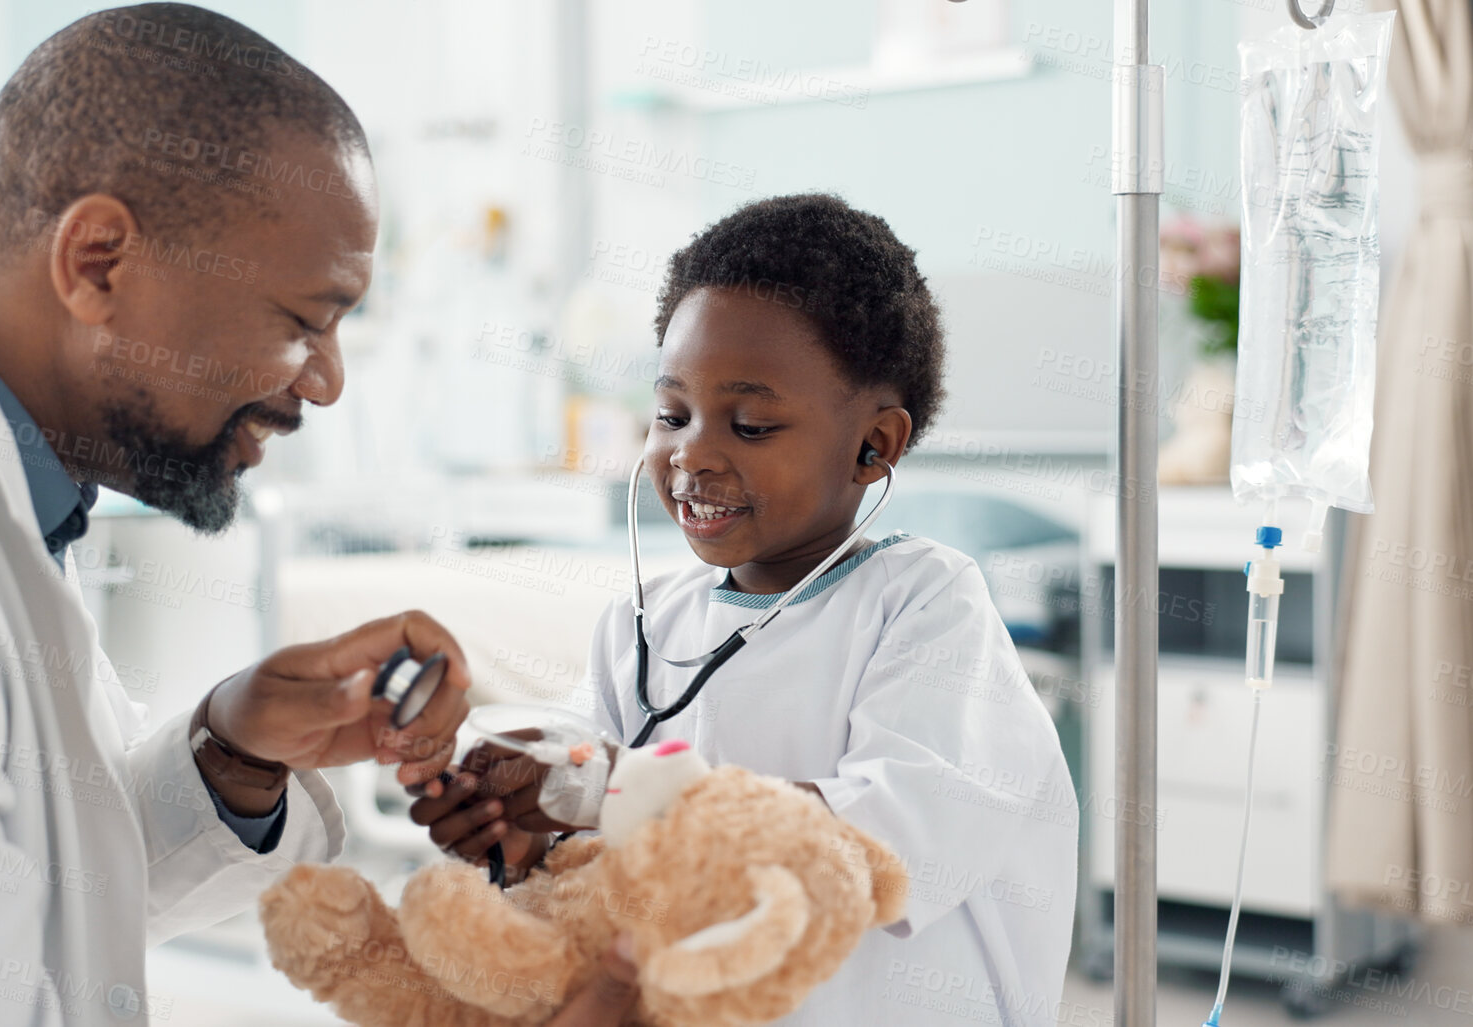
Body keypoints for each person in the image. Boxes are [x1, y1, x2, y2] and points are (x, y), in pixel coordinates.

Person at [0, 5, 620, 1025]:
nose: (330, 382)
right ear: (97, 263)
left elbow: (29, 882)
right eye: (304, 321)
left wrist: (234, 754)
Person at [414, 195, 1080, 1026]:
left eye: (752, 423)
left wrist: (607, 788)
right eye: (670, 414)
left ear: (875, 444)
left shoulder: (924, 604)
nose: (691, 451)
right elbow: (590, 837)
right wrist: (518, 830)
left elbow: (883, 847)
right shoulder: (641, 626)